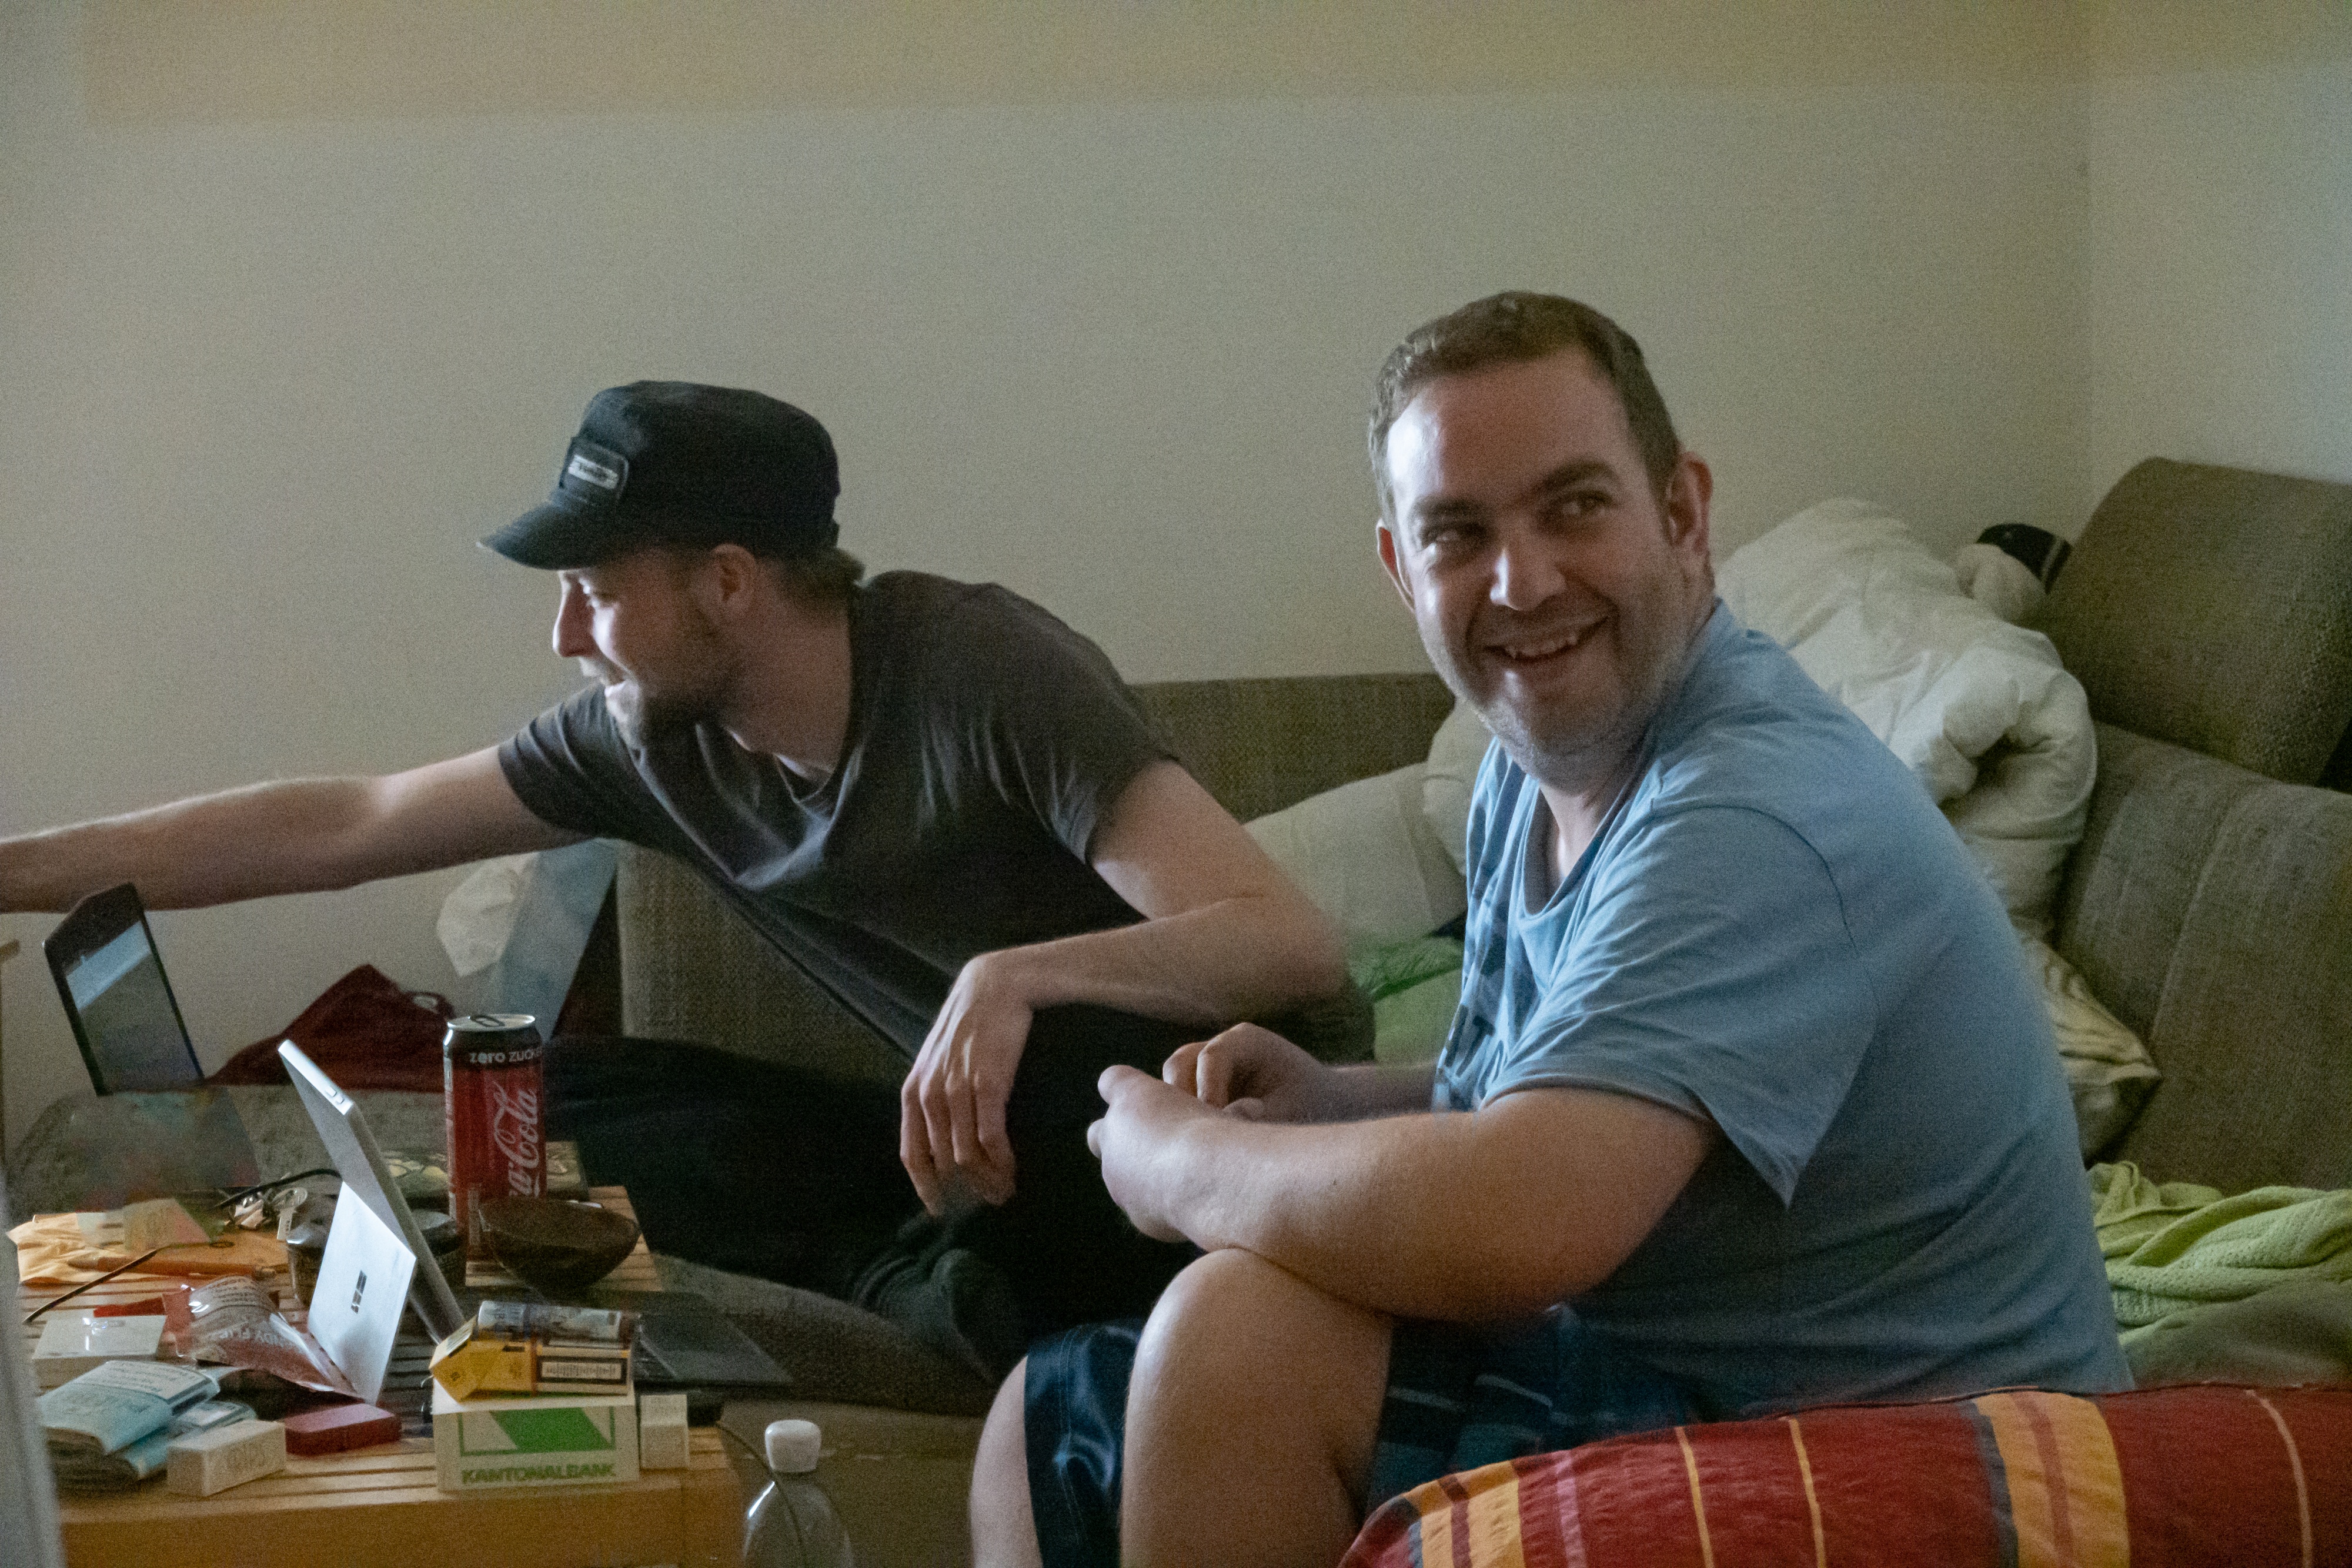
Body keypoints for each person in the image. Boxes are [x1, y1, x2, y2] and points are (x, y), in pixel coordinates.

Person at [974, 293, 2130, 1568]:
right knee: (1046, 1416)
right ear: (1401, 570)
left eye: (1573, 506)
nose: (1520, 582)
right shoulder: (1527, 776)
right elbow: (1542, 1093)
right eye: (1458, 533)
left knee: (1239, 1342)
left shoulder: (1749, 814)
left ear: (1681, 514)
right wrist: (1333, 1101)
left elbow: (1520, 1218)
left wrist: (1182, 1162)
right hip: (1694, 1391)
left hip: (1924, 1471)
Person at [0, 381, 1349, 1370]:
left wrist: (1014, 978)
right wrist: (12, 872)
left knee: (1063, 1069)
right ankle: (930, 1270)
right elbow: (348, 821)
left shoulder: (978, 669)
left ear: (727, 582)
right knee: (565, 1094)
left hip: (1186, 1132)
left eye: (594, 588)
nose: (564, 633)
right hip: (962, 1145)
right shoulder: (650, 740)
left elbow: (1286, 941)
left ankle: (957, 1278)